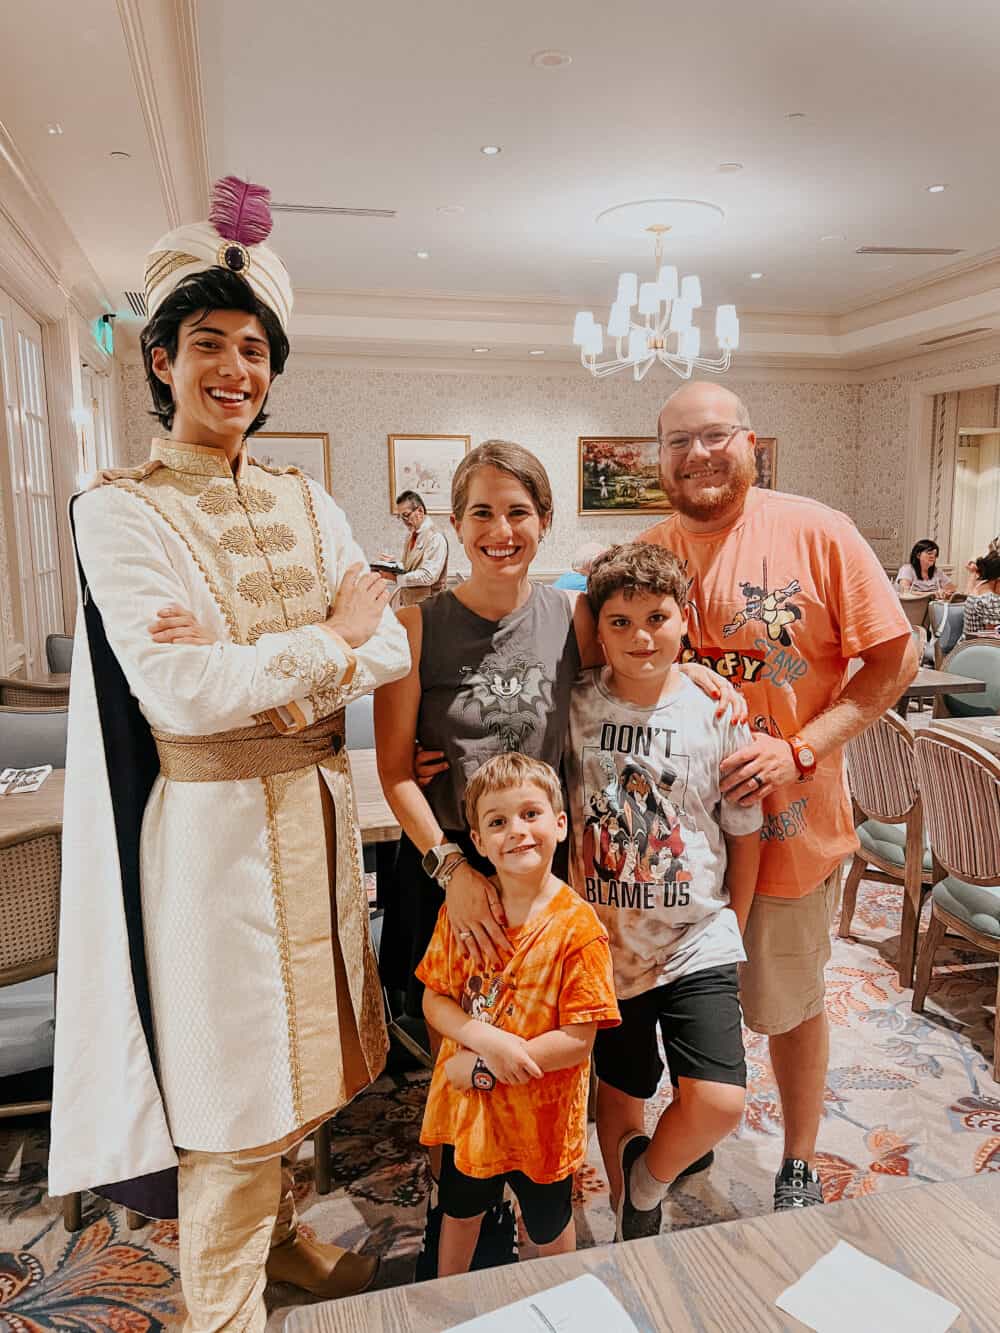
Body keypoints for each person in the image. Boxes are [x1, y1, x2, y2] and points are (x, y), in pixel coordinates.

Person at [48, 177, 410, 1330]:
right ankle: (219, 1309)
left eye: (255, 349)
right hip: (207, 847)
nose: (235, 371)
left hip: (311, 817)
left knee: (312, 1075)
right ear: (160, 360)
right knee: (229, 1095)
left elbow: (390, 645)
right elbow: (181, 693)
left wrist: (279, 651)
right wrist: (324, 637)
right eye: (209, 344)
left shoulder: (310, 500)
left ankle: (290, 1241)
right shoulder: (119, 510)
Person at [641, 381, 916, 1211]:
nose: (698, 454)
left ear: (751, 442)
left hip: (791, 833)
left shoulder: (820, 532)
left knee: (787, 1004)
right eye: (678, 442)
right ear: (657, 457)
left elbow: (893, 661)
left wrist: (802, 748)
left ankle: (799, 1157)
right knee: (683, 1003)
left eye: (715, 436)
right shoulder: (651, 550)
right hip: (676, 847)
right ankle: (689, 1138)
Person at [564, 541, 761, 1241]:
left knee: (717, 1098)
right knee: (621, 1098)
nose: (641, 637)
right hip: (605, 943)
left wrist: (732, 921)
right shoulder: (575, 705)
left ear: (686, 618)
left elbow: (744, 830)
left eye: (657, 617)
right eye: (620, 622)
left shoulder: (718, 713)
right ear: (598, 627)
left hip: (695, 937)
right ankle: (631, 1226)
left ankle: (648, 1181)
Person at [417, 753, 619, 1275]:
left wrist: (485, 1065)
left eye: (530, 814)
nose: (517, 832)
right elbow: (434, 998)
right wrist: (483, 1038)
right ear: (478, 842)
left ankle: (566, 1298)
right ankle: (448, 1299)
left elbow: (578, 1040)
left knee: (550, 1225)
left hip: (541, 1125)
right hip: (472, 1119)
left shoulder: (579, 928)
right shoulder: (462, 913)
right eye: (498, 822)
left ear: (560, 822)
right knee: (458, 1213)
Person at [381, 489, 449, 606]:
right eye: (401, 517)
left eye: (406, 515)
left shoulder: (435, 537)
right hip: (411, 605)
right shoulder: (411, 535)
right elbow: (411, 567)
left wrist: (396, 578)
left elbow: (428, 576)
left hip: (430, 608)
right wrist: (393, 565)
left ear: (420, 511)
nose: (405, 521)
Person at [963, 540, 1000, 634]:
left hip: (967, 645)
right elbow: (992, 636)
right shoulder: (990, 599)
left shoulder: (978, 586)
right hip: (981, 646)